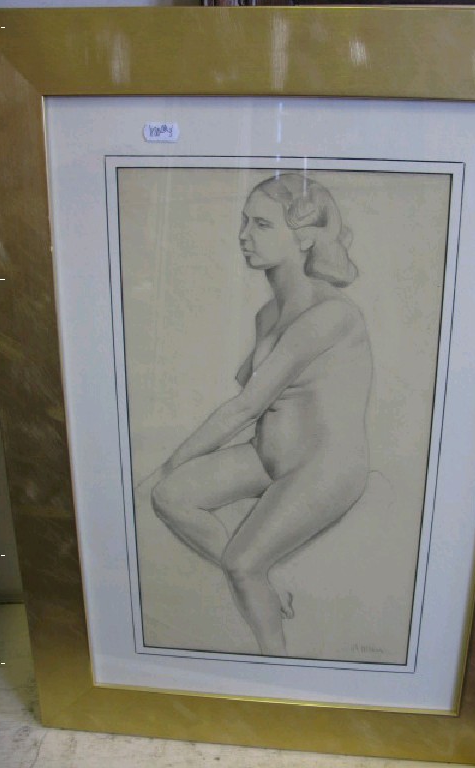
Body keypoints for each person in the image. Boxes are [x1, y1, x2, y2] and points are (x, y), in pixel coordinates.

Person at [149, 173, 372, 656]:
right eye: (245, 221)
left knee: (241, 564)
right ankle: (263, 581)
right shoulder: (266, 316)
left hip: (323, 468)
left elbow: (245, 406)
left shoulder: (332, 315)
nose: (244, 235)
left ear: (305, 238)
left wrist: (169, 462)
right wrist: (169, 475)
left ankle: (275, 661)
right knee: (170, 496)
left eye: (262, 225)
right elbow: (253, 399)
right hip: (266, 455)